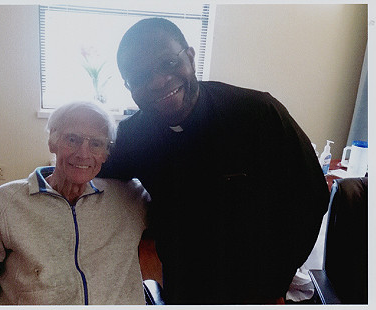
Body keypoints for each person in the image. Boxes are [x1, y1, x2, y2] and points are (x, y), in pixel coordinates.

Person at [98, 18, 330, 304]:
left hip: (256, 284)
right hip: (184, 282)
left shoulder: (258, 114)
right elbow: (94, 171)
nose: (158, 81)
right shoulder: (133, 136)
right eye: (141, 75)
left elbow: (311, 197)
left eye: (169, 63)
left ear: (191, 57)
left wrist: (277, 282)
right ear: (128, 86)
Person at [0, 102, 149, 305]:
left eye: (96, 144)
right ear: (53, 141)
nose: (83, 153)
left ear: (106, 154)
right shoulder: (6, 203)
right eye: (73, 139)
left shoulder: (128, 197)